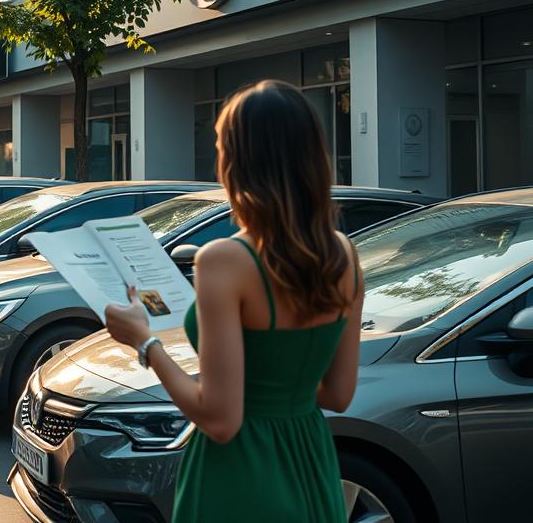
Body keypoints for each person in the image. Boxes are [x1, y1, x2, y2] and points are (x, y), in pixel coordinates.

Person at [105, 80, 362, 523]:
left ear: (241, 162)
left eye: (222, 146)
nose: (219, 159)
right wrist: (278, 388)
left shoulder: (225, 259)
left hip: (240, 479)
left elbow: (221, 420)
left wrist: (144, 343)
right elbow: (338, 395)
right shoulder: (344, 254)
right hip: (311, 468)